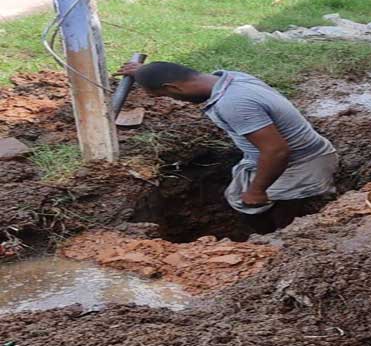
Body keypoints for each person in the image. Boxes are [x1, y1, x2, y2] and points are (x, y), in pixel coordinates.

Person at [116, 61, 338, 232]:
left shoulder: (233, 103)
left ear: (173, 87)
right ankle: (268, 234)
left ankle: (279, 242)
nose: (175, 102)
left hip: (301, 163)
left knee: (277, 214)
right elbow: (171, 74)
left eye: (162, 94)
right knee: (242, 203)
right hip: (277, 157)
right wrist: (146, 72)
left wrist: (257, 190)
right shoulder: (230, 78)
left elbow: (277, 151)